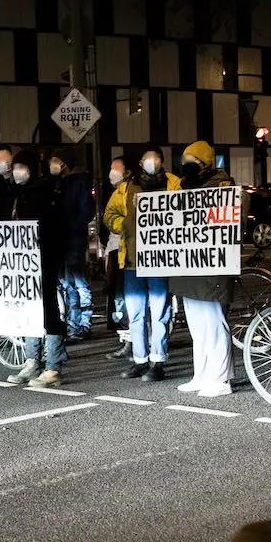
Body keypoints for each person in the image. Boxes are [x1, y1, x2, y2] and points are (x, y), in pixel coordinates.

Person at [104, 147, 182, 381]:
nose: (152, 162)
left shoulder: (173, 184)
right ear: (140, 162)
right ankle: (140, 360)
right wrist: (125, 225)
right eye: (148, 158)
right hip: (132, 260)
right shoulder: (127, 187)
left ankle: (158, 361)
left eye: (156, 158)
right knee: (136, 313)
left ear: (162, 161)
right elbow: (110, 214)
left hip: (160, 260)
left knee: (160, 313)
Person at [169, 140, 237, 398]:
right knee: (197, 325)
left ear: (205, 163)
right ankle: (202, 374)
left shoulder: (222, 185)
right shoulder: (184, 187)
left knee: (213, 322)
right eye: (184, 160)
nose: (186, 165)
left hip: (211, 266)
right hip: (190, 265)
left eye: (192, 161)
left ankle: (220, 379)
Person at [7, 149, 68, 387]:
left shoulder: (44, 194)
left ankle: (53, 367)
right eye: (15, 168)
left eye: (22, 167)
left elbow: (54, 228)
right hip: (23, 264)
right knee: (28, 311)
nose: (17, 172)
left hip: (44, 260)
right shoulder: (16, 194)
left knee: (49, 309)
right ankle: (32, 362)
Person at [49, 149, 94, 342]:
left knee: (78, 281)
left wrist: (72, 226)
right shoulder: (59, 184)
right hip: (63, 240)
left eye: (55, 160)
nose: (51, 164)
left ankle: (83, 324)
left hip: (74, 239)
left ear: (64, 164)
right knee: (68, 283)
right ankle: (74, 325)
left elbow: (86, 211)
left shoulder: (78, 183)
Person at [102, 157, 129, 351]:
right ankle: (125, 339)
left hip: (126, 250)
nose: (112, 172)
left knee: (125, 296)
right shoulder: (114, 194)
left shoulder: (130, 192)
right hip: (114, 249)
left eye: (116, 168)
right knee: (117, 297)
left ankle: (131, 340)